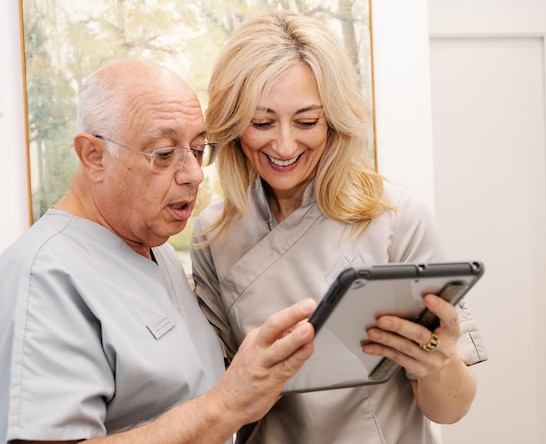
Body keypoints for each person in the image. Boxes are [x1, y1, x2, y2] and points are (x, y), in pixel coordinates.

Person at [191, 10, 488, 444]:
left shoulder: (395, 216)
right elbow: (217, 403)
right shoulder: (214, 233)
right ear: (234, 125)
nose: (285, 144)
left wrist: (440, 364)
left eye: (307, 121)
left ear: (333, 120)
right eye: (261, 122)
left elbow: (451, 409)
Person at [0, 59, 318, 444]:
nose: (194, 174)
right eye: (165, 154)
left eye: (198, 150)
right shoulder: (45, 276)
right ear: (93, 156)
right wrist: (224, 407)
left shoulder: (153, 246)